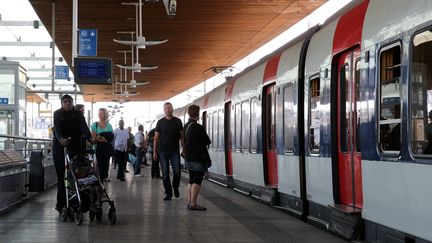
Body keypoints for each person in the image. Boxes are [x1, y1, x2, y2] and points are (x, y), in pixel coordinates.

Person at [52, 95, 91, 212]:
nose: (68, 104)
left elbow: (84, 127)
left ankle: (77, 200)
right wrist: (61, 139)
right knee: (62, 176)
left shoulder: (78, 114)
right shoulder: (57, 114)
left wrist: (90, 138)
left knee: (77, 174)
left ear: (73, 103)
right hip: (60, 148)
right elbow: (57, 130)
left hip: (75, 148)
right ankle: (61, 203)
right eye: (65, 102)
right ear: (61, 103)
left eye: (70, 101)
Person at [153, 102, 184, 200]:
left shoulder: (178, 121)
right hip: (162, 151)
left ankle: (175, 187)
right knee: (165, 173)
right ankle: (168, 193)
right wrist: (154, 151)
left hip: (175, 151)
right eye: (166, 108)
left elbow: (182, 136)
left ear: (172, 109)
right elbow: (156, 138)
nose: (167, 110)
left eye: (169, 108)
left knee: (177, 172)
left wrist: (184, 148)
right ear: (164, 110)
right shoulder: (160, 122)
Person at [184, 104, 211, 211]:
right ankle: (194, 203)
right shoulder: (197, 127)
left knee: (191, 180)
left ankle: (190, 202)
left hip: (189, 157)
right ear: (198, 114)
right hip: (198, 158)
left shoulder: (186, 126)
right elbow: (207, 141)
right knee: (197, 180)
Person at [91, 108, 114, 182]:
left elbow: (111, 136)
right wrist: (103, 139)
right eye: (99, 114)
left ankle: (105, 176)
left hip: (106, 148)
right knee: (99, 163)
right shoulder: (95, 125)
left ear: (105, 115)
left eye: (102, 114)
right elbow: (94, 136)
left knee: (106, 162)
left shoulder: (109, 125)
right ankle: (100, 176)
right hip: (98, 147)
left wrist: (101, 137)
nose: (100, 115)